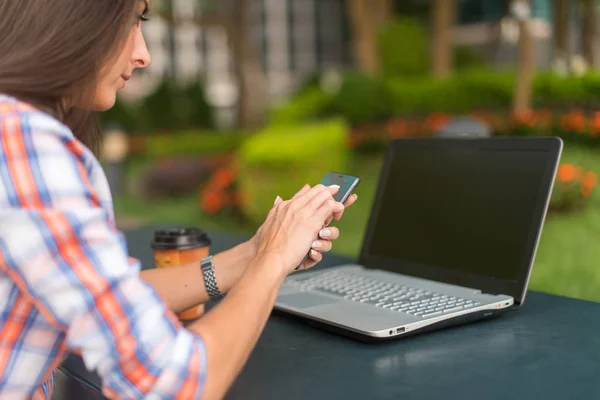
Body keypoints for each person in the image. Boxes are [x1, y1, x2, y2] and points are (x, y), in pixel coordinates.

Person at [0, 0, 358, 399]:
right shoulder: (27, 148)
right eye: (131, 23)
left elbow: (115, 301)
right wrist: (273, 262)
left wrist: (254, 253)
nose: (143, 55)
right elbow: (176, 384)